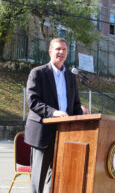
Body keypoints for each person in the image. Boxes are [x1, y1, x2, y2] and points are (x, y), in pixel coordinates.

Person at [24, 38, 83, 193]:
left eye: (64, 50)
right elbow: (33, 101)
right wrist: (54, 113)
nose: (61, 52)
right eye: (57, 49)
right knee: (38, 181)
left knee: (56, 178)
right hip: (42, 133)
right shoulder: (38, 73)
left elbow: (76, 105)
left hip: (64, 134)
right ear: (50, 51)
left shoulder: (70, 77)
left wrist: (82, 123)